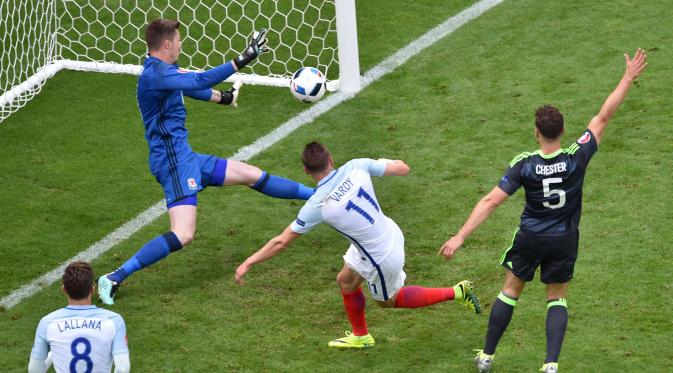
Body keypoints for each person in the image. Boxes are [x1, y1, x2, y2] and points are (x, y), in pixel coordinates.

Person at [439, 49, 648, 372]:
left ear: (537, 132)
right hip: (565, 239)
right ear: (563, 132)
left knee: (510, 291)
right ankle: (550, 364)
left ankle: (487, 357)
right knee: (557, 297)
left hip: (531, 236)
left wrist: (461, 235)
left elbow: (491, 201)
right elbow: (604, 116)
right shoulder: (576, 156)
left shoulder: (525, 165)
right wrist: (627, 77)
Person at [98, 19, 315, 305]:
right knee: (183, 234)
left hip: (184, 156)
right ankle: (114, 277)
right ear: (166, 44)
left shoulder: (161, 71)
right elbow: (197, 81)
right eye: (177, 41)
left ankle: (320, 196)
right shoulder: (156, 76)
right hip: (174, 164)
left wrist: (223, 98)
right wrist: (243, 59)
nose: (180, 45)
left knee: (251, 174)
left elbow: (188, 87)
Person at [236, 142, 481, 348]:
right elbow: (402, 169)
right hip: (384, 232)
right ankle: (361, 336)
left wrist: (249, 261)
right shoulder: (357, 165)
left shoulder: (318, 203)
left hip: (380, 255)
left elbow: (281, 241)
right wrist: (392, 161)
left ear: (305, 171)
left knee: (388, 301)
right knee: (345, 281)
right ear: (331, 159)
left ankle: (458, 292)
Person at [29, 262, 130, 373]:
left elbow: (35, 369)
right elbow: (122, 368)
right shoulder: (114, 321)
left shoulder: (47, 323)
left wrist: (52, 355)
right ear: (92, 289)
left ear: (64, 290)